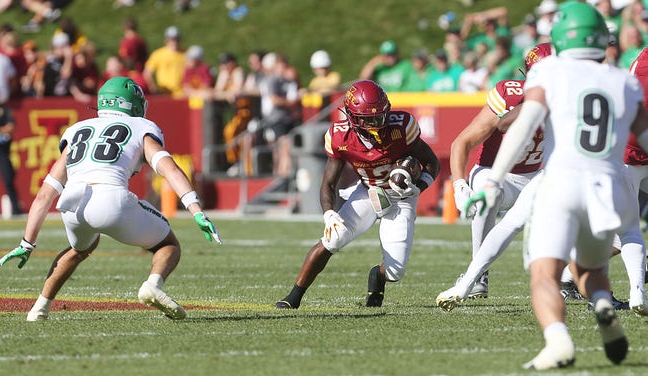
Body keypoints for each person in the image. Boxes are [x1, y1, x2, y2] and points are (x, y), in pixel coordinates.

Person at [467, 3, 648, 369]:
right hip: (610, 185)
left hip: (563, 182)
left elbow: (523, 124)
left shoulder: (549, 70)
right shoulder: (623, 79)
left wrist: (494, 180)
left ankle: (558, 339)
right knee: (593, 269)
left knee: (544, 273)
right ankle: (601, 302)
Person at [0, 77, 222, 321]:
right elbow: (170, 170)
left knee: (79, 249)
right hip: (111, 199)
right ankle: (152, 286)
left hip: (73, 205)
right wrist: (196, 210)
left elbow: (44, 194)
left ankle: (39, 308)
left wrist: (27, 243)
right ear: (133, 104)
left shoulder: (77, 130)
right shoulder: (141, 126)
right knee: (168, 245)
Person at [275, 80, 440, 309]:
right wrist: (329, 214)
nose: (376, 123)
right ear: (352, 116)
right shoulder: (339, 136)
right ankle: (294, 296)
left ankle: (378, 276)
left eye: (380, 116)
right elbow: (328, 184)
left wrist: (418, 188)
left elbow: (432, 163)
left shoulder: (401, 127)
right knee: (333, 238)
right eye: (368, 118)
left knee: (395, 271)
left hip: (401, 196)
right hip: (368, 191)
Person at [446, 42, 551, 301]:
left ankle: (568, 277)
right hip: (496, 174)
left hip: (538, 175)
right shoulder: (509, 94)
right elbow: (462, 142)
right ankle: (478, 275)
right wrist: (460, 185)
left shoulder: (573, 94)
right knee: (484, 194)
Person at [0, 85, 22, 216]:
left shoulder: (3, 110)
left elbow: (11, 127)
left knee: (8, 180)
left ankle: (15, 209)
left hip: (1, 150)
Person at [143, 26, 185, 95]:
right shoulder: (158, 54)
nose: (174, 42)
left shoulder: (186, 54)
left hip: (182, 94)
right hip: (164, 93)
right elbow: (147, 73)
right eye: (172, 39)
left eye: (176, 39)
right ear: (166, 40)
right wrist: (153, 89)